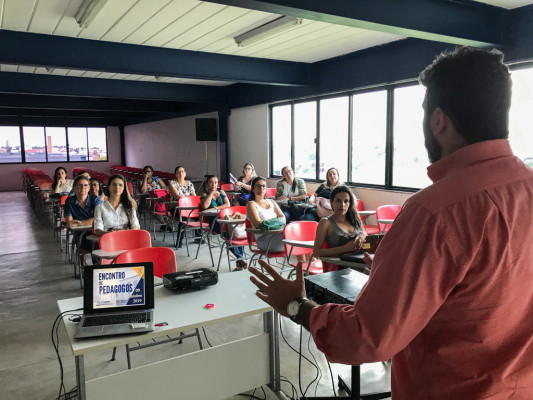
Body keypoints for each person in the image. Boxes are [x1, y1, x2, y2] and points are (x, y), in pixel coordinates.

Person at [248, 47, 533, 399]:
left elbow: (368, 337)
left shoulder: (435, 211)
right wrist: (400, 276)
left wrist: (296, 306)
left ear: (438, 120)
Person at [312, 185, 366, 266]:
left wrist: (363, 234)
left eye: (346, 201)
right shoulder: (325, 222)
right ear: (331, 202)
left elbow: (365, 238)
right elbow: (316, 252)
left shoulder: (354, 218)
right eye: (338, 201)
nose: (342, 205)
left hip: (361, 261)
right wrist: (345, 248)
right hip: (341, 266)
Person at [200, 175, 246, 262]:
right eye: (210, 182)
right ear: (206, 184)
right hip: (214, 222)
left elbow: (227, 205)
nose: (213, 185)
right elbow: (205, 206)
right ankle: (240, 258)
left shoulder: (221, 192)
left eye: (215, 182)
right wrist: (211, 193)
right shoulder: (204, 194)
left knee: (237, 231)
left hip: (225, 219)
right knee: (228, 234)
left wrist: (214, 208)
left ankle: (240, 259)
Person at [246, 176, 286, 254]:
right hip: (264, 239)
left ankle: (303, 262)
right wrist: (277, 221)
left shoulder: (271, 202)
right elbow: (258, 225)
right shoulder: (251, 204)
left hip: (277, 235)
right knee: (293, 238)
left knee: (297, 237)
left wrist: (266, 223)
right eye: (258, 186)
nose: (261, 188)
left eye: (263, 186)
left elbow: (283, 218)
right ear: (253, 189)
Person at [64, 174, 102, 251]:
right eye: (79, 185)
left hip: (96, 231)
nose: (83, 188)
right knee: (89, 244)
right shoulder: (69, 201)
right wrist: (91, 220)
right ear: (74, 187)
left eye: (85, 185)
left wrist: (80, 223)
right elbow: (70, 222)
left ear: (89, 188)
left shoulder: (95, 199)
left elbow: (99, 219)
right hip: (80, 233)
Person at [168, 165, 196, 247]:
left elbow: (194, 196)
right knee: (184, 217)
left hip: (189, 207)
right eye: (178, 172)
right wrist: (188, 201)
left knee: (198, 214)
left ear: (185, 173)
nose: (181, 173)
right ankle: (179, 240)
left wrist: (190, 201)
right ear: (175, 174)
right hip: (176, 208)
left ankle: (199, 236)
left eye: (182, 171)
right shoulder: (172, 184)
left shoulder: (189, 184)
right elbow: (177, 196)